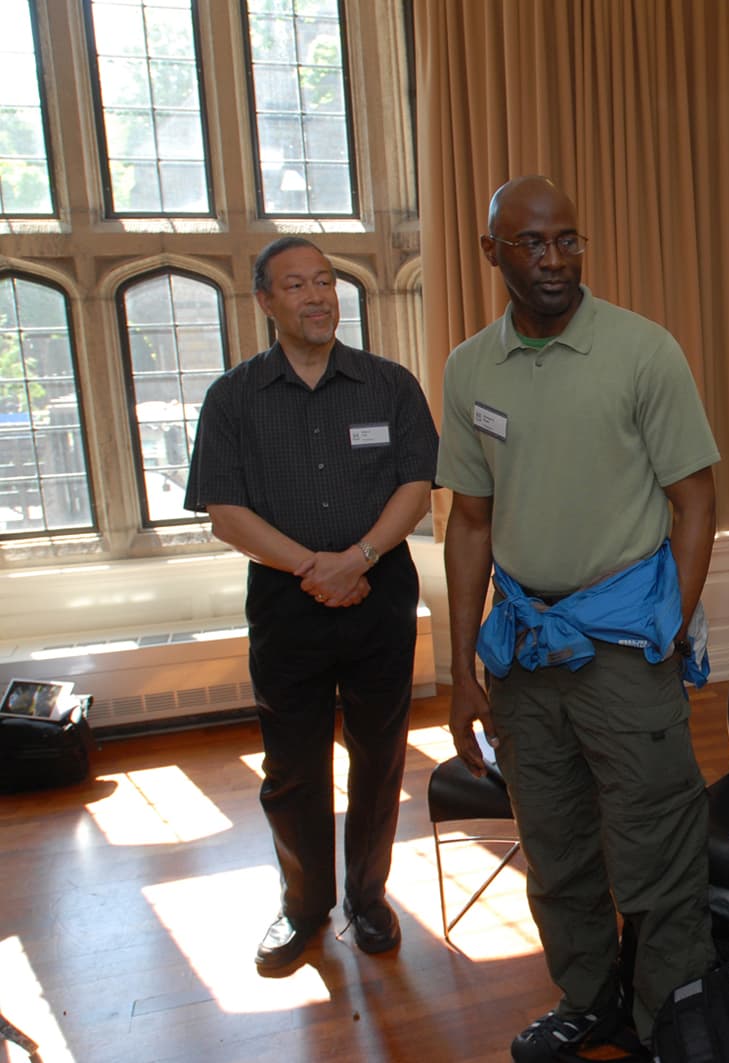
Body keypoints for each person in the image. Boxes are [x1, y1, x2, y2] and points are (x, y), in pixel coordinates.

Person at [437, 176, 719, 1059]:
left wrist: (671, 627)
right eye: (531, 243)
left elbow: (697, 501)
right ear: (494, 253)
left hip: (624, 640)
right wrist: (459, 670)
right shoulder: (470, 366)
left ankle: (669, 1019)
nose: (554, 258)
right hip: (522, 647)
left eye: (568, 239)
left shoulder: (642, 351)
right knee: (554, 844)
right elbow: (470, 521)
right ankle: (589, 998)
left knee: (657, 847)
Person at [184, 236, 438, 971]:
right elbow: (225, 512)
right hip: (286, 601)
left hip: (378, 593)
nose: (317, 295)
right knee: (292, 766)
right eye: (296, 285)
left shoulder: (389, 385)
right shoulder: (232, 398)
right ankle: (303, 908)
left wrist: (356, 560)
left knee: (380, 754)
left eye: (325, 281)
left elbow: (416, 486)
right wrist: (312, 568)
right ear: (265, 302)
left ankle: (368, 898)